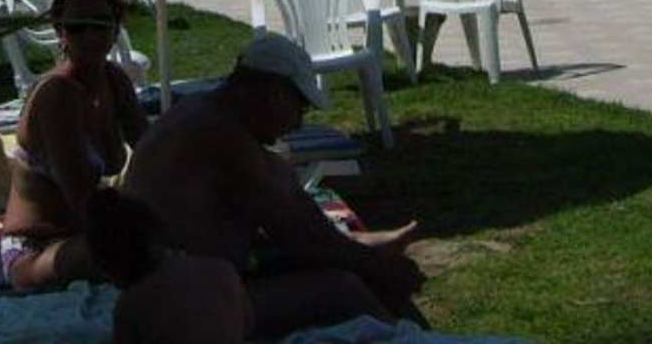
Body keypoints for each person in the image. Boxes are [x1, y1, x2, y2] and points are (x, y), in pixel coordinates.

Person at [119, 35, 424, 340]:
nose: (298, 124)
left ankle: (372, 257)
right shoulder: (222, 135)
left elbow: (294, 215)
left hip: (198, 280)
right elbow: (300, 239)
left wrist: (364, 257)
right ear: (275, 94)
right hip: (182, 302)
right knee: (346, 290)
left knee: (356, 265)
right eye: (300, 108)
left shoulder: (209, 114)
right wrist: (377, 266)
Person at [0, 0, 148, 292]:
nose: (90, 36)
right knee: (137, 253)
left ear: (115, 30)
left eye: (100, 25)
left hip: (84, 235)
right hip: (34, 250)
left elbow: (153, 152)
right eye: (77, 27)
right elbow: (83, 197)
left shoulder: (115, 82)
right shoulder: (56, 94)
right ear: (60, 32)